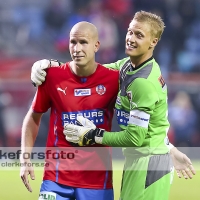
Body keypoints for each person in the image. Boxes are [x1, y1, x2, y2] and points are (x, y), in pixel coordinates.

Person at [30, 12, 196, 199]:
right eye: (130, 32)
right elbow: (93, 71)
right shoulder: (127, 66)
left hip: (149, 165)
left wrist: (93, 135)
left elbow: (135, 138)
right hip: (141, 159)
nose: (131, 39)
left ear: (153, 42)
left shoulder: (143, 83)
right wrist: (53, 66)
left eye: (139, 35)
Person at [20, 21, 119, 200]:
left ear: (97, 45)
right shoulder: (52, 77)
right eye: (73, 42)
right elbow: (33, 117)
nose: (77, 48)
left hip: (97, 182)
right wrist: (25, 158)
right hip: (56, 179)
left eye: (83, 42)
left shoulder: (114, 80)